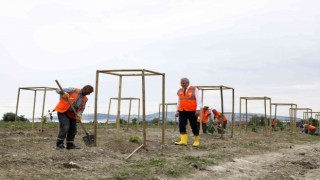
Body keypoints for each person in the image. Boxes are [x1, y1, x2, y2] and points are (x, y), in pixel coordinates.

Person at [55, 85, 94, 150]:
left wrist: (79, 115)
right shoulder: (73, 90)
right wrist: (63, 93)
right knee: (65, 127)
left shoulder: (85, 99)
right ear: (84, 88)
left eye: (90, 93)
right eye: (88, 92)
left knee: (73, 130)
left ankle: (70, 144)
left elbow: (82, 109)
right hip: (63, 111)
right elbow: (57, 90)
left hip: (73, 114)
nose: (89, 94)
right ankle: (59, 144)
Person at [175, 78, 202, 147]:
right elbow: (179, 101)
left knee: (194, 125)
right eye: (181, 83)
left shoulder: (194, 89)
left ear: (187, 83)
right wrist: (177, 110)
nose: (182, 84)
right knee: (181, 125)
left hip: (192, 111)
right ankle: (183, 141)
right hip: (182, 110)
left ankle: (196, 140)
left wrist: (198, 109)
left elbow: (199, 100)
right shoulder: (180, 91)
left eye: (183, 83)